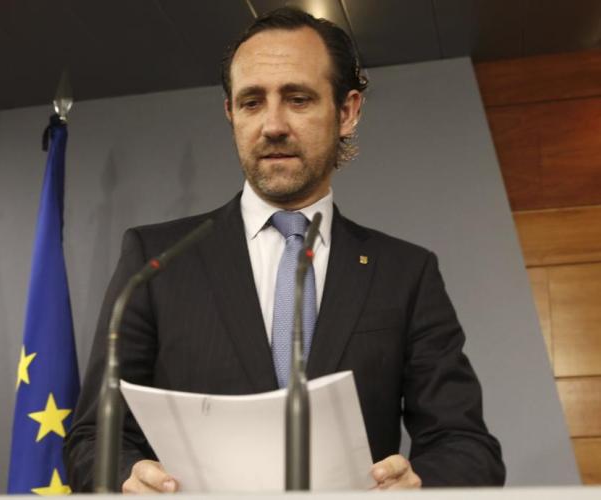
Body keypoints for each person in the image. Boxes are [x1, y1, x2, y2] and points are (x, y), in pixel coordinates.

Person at [64, 7, 505, 493]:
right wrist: (127, 478)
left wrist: (419, 484)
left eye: (297, 99)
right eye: (252, 102)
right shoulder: (155, 260)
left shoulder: (405, 273)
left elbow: (466, 445)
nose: (272, 125)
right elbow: (92, 438)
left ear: (347, 112)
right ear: (231, 114)